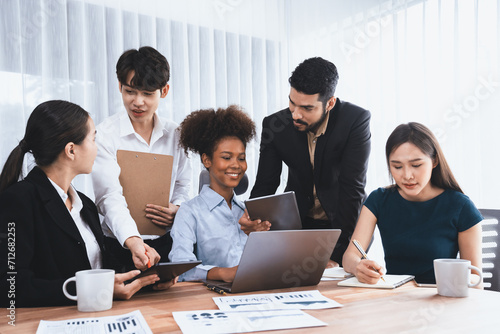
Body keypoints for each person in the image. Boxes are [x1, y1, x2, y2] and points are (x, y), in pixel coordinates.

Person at [0, 100, 175, 307]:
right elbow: (8, 286)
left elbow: (98, 267)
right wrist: (93, 290)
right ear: (71, 150)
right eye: (93, 139)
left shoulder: (85, 205)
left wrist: (148, 275)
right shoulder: (18, 200)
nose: (97, 148)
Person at [247, 57, 371, 267]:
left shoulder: (355, 121)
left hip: (344, 223)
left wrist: (337, 256)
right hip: (299, 222)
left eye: (307, 108)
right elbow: (265, 185)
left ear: (330, 103)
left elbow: (352, 191)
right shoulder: (274, 125)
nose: (295, 114)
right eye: (292, 103)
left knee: (339, 287)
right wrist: (252, 217)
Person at [342, 122, 483, 285]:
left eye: (416, 165)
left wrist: (456, 281)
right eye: (397, 166)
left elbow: (476, 279)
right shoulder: (379, 200)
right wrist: (358, 266)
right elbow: (349, 257)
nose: (407, 175)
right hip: (397, 298)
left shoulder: (461, 206)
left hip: (440, 298)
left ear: (434, 161)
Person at [92, 46, 191, 271]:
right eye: (130, 91)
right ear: (120, 87)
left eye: (147, 94)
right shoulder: (104, 134)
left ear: (164, 91)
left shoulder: (176, 135)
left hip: (166, 244)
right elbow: (108, 197)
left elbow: (183, 185)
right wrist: (133, 240)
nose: (138, 102)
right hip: (119, 246)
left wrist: (178, 208)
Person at [169, 105, 261, 282]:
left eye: (241, 158)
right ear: (207, 160)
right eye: (227, 157)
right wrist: (221, 273)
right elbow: (180, 266)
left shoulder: (249, 212)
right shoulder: (189, 212)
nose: (236, 165)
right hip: (209, 297)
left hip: (252, 292)